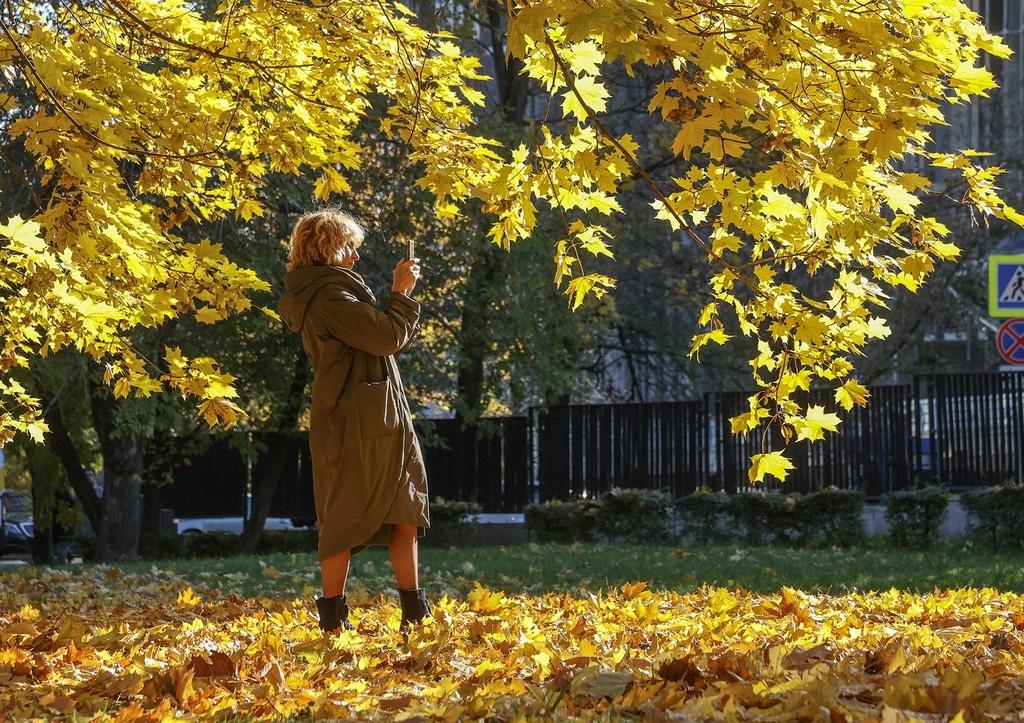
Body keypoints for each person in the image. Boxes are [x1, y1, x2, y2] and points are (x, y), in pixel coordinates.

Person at [277, 207, 431, 639]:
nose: (357, 258)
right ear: (328, 247)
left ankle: (414, 613)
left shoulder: (334, 290)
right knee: (343, 517)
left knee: (404, 511)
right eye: (351, 247)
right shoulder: (327, 298)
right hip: (352, 424)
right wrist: (401, 293)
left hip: (380, 419)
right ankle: (332, 617)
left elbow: (382, 340)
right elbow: (385, 336)